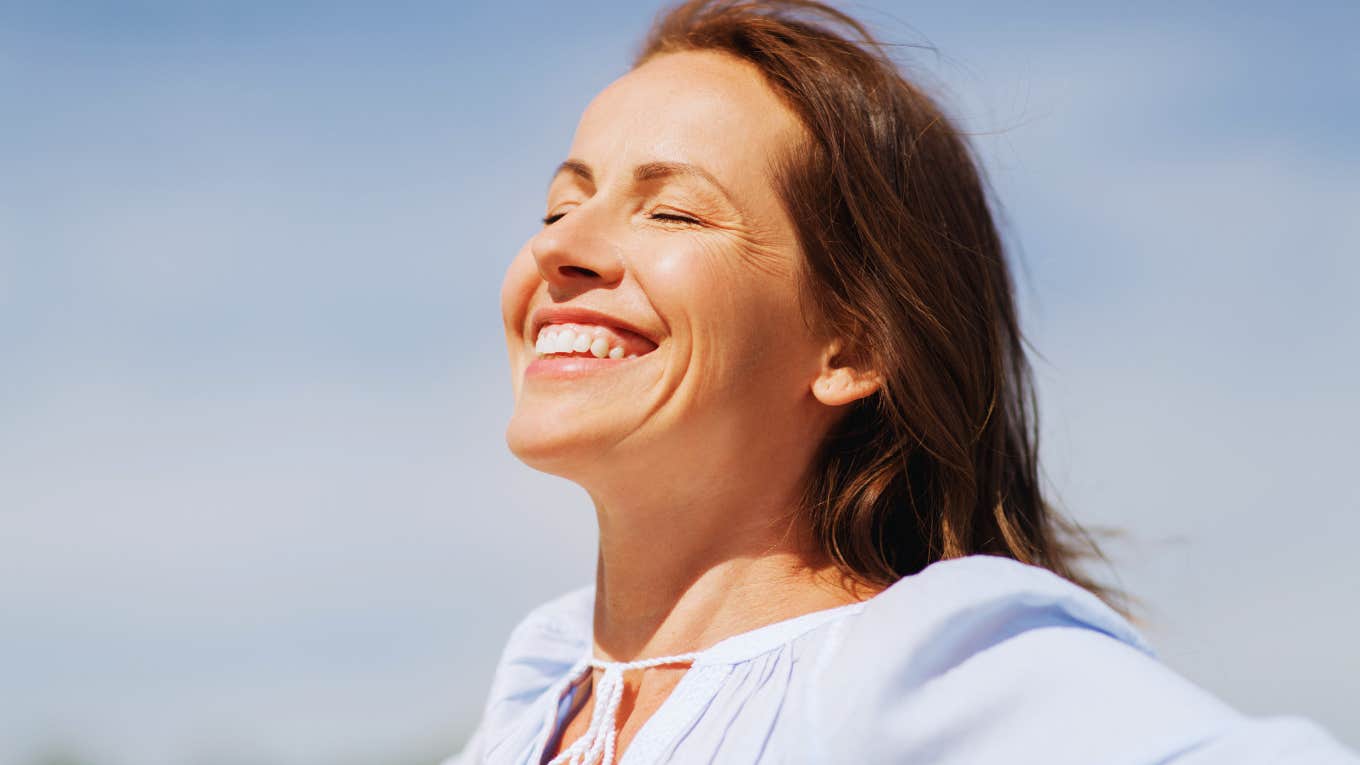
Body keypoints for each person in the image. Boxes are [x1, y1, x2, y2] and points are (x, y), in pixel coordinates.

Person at [443, 1, 1358, 763]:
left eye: (673, 211)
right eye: (563, 203)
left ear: (852, 346)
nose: (558, 246)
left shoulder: (914, 670)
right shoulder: (534, 697)